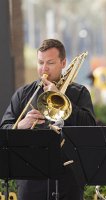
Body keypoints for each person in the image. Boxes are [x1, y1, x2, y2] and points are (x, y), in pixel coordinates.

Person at [0, 39, 97, 199]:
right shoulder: (23, 94)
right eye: (40, 62)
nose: (44, 68)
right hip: (30, 179)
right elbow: (4, 129)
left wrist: (61, 97)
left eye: (50, 63)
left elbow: (90, 127)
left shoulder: (79, 93)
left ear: (63, 62)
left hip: (68, 177)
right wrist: (21, 125)